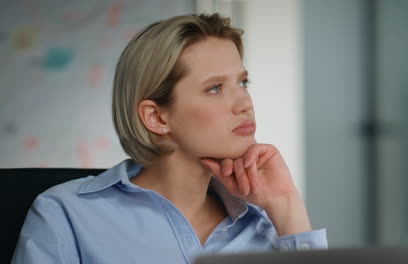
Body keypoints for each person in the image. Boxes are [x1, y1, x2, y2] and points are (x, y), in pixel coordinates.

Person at [12, 13, 327, 263]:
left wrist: (287, 207)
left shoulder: (265, 224)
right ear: (157, 117)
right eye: (215, 88)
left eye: (243, 83)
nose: (245, 103)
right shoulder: (65, 214)